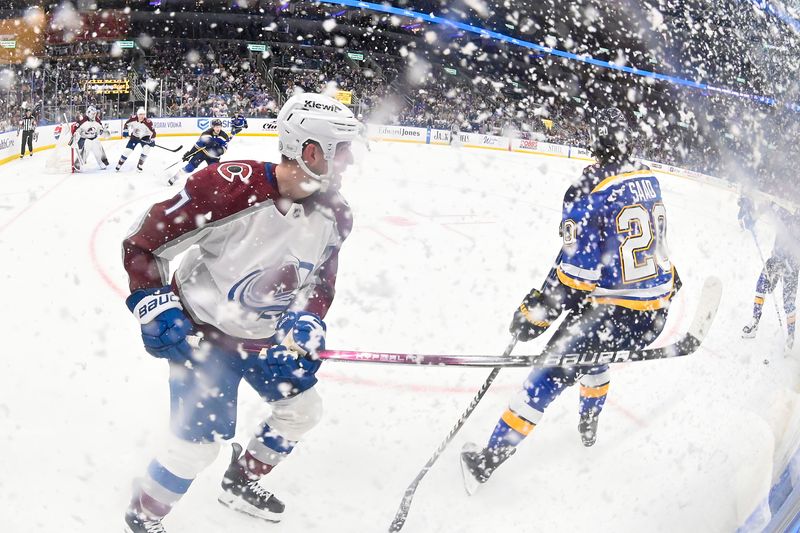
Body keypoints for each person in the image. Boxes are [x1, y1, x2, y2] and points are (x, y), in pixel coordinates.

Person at [121, 92, 360, 533]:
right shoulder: (226, 187)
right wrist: (155, 303)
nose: (350, 162)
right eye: (343, 152)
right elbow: (142, 245)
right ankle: (143, 516)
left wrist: (306, 319)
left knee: (302, 412)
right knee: (194, 448)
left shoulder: (336, 214)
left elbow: (318, 283)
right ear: (311, 151)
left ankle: (240, 482)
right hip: (203, 336)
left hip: (267, 340)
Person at [460, 107, 680, 492]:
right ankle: (589, 421)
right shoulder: (648, 177)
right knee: (593, 355)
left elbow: (578, 276)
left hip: (615, 314)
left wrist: (538, 314)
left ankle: (487, 461)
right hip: (657, 311)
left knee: (544, 379)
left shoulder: (587, 189)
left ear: (595, 146)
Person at [739, 195, 799, 351]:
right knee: (760, 287)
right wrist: (751, 213)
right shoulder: (786, 216)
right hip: (775, 261)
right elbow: (768, 204)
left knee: (788, 304)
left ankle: (790, 336)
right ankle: (755, 322)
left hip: (791, 268)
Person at [168, 118, 230, 185]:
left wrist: (218, 149)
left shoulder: (224, 136)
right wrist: (189, 154)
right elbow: (197, 146)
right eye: (216, 127)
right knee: (190, 167)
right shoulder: (206, 134)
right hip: (203, 153)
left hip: (214, 157)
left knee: (215, 172)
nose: (218, 129)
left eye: (219, 127)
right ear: (213, 127)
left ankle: (214, 185)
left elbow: (224, 149)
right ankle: (175, 177)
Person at [117, 107, 157, 172]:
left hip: (145, 137)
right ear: (137, 115)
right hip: (134, 137)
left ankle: (140, 165)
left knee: (146, 149)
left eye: (143, 114)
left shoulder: (148, 122)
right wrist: (125, 131)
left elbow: (153, 132)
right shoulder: (133, 118)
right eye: (140, 114)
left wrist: (152, 140)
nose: (142, 116)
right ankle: (119, 164)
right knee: (128, 150)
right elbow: (126, 124)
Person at [71, 105, 109, 171]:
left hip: (94, 138)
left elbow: (100, 129)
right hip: (85, 139)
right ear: (88, 113)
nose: (94, 115)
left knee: (98, 149)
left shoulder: (97, 119)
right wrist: (75, 135)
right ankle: (78, 164)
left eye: (95, 114)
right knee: (85, 151)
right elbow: (76, 129)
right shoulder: (82, 120)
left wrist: (102, 131)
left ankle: (102, 162)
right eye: (92, 114)